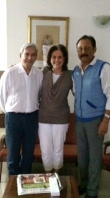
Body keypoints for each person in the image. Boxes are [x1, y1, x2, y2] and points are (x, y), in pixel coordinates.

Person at [72, 35, 110, 198]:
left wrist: (106, 120)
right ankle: (84, 184)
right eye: (80, 49)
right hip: (79, 121)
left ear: (94, 50)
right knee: (82, 157)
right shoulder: (76, 70)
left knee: (95, 157)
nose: (84, 51)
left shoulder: (103, 67)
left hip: (96, 121)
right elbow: (76, 92)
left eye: (87, 48)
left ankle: (92, 192)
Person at [0, 43, 43, 175]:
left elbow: (40, 94)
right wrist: (10, 112)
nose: (30, 57)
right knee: (13, 154)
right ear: (20, 55)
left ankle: (25, 182)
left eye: (33, 54)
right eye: (26, 54)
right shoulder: (10, 73)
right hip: (14, 119)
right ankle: (13, 184)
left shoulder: (39, 74)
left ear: (36, 56)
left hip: (32, 118)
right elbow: (1, 95)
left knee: (28, 154)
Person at [38, 44, 73, 173]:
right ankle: (48, 174)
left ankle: (56, 174)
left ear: (64, 59)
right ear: (50, 58)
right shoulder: (43, 73)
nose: (56, 60)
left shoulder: (70, 75)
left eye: (60, 57)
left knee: (58, 149)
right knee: (46, 149)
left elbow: (78, 92)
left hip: (61, 118)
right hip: (43, 117)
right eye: (54, 57)